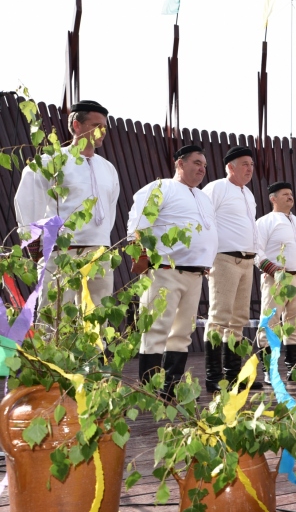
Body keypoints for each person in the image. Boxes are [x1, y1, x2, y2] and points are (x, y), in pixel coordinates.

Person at [128, 145, 218, 397]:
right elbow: (137, 223)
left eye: (204, 165)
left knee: (182, 333)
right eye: (197, 163)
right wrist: (141, 258)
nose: (202, 169)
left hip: (195, 274)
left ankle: (170, 387)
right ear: (180, 163)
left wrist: (206, 258)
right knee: (156, 329)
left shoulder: (203, 197)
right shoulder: (161, 187)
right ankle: (149, 389)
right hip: (164, 270)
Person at [15, 100, 119, 311]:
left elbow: (110, 210)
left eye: (104, 127)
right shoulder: (51, 161)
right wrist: (35, 244)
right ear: (76, 126)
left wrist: (99, 240)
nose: (101, 131)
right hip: (61, 251)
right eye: (95, 125)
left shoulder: (108, 169)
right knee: (53, 314)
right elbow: (28, 200)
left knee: (97, 316)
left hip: (99, 252)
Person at [201, 146, 264, 393]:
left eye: (251, 164)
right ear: (230, 167)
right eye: (244, 163)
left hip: (247, 261)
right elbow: (204, 222)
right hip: (224, 259)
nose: (250, 168)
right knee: (219, 317)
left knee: (238, 319)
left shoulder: (248, 194)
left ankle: (233, 375)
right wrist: (205, 257)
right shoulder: (216, 187)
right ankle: (213, 376)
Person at [255, 182, 296, 385]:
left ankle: (293, 370)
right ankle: (270, 372)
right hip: (275, 279)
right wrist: (271, 268)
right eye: (285, 194)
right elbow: (256, 249)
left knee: (294, 324)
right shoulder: (265, 222)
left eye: (291, 193)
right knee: (270, 325)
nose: (290, 197)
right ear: (273, 198)